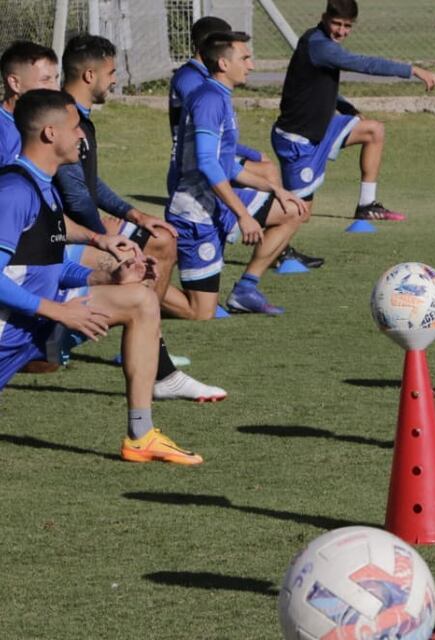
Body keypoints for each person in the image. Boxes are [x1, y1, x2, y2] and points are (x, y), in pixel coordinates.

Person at [0, 88, 202, 464]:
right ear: (50, 133)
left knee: (141, 300)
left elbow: (45, 267)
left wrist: (107, 278)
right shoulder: (14, 191)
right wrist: (57, 311)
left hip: (32, 326)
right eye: (75, 127)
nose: (82, 135)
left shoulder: (45, 188)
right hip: (15, 330)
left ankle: (141, 436)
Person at [56, 34, 226, 401]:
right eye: (111, 72)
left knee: (162, 237)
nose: (115, 79)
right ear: (89, 75)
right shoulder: (64, 117)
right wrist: (104, 238)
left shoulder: (77, 117)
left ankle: (147, 348)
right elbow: (75, 196)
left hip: (80, 230)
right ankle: (151, 362)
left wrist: (135, 214)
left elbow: (89, 183)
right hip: (63, 238)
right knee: (138, 262)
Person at [167, 31, 309, 319]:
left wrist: (275, 190)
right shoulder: (209, 99)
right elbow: (208, 164)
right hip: (195, 212)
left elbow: (227, 166)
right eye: (245, 58)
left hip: (217, 204)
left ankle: (245, 290)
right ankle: (135, 292)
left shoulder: (220, 96)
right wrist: (243, 215)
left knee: (292, 210)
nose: (251, 65)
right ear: (223, 63)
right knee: (201, 312)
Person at [271, 0, 435, 221]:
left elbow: (317, 89)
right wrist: (413, 70)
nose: (341, 31)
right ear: (324, 18)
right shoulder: (320, 46)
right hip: (297, 140)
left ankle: (366, 205)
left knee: (374, 131)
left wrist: (347, 108)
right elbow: (365, 64)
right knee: (298, 215)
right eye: (337, 24)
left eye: (347, 26)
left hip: (322, 130)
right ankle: (248, 209)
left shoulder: (322, 41)